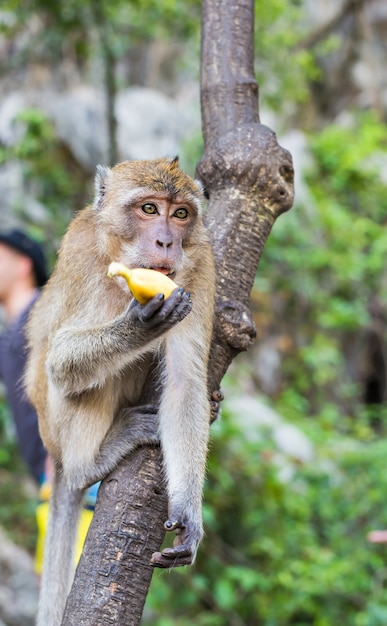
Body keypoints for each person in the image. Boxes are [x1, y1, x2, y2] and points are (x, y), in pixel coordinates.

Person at [0, 228, 48, 484]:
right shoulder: (10, 335)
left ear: (22, 265)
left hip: (77, 473)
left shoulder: (45, 313)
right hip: (48, 478)